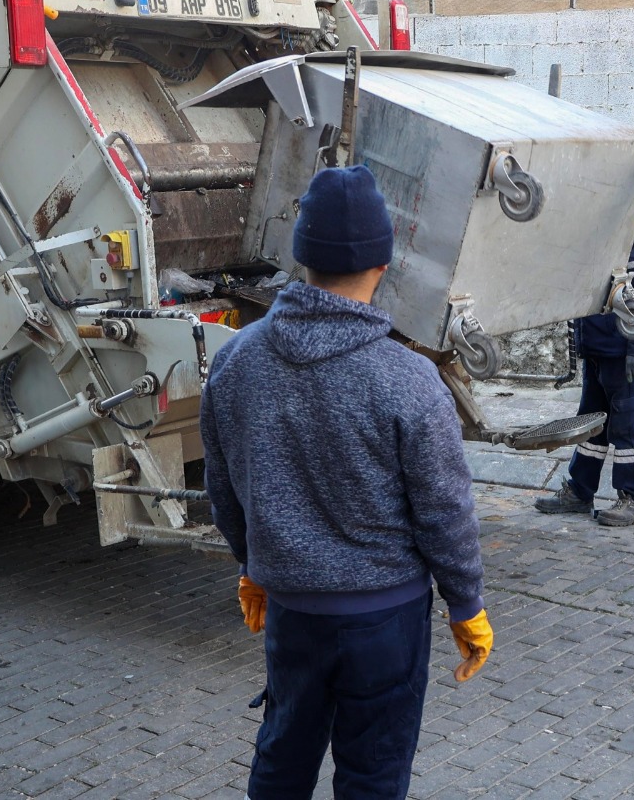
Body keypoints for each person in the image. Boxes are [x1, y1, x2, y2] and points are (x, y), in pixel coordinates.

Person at [200, 164, 492, 800]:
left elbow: (223, 488)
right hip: (386, 620)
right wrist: (465, 602)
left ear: (300, 255)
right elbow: (444, 510)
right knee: (374, 776)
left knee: (282, 759)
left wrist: (251, 561)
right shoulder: (409, 379)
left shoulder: (235, 362)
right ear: (384, 264)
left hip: (294, 615)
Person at [535, 215, 634, 527]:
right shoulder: (602, 228)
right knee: (592, 425)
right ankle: (580, 492)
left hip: (622, 352)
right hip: (597, 348)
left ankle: (633, 499)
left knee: (626, 426)